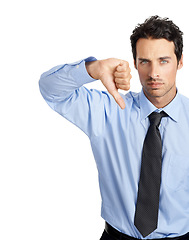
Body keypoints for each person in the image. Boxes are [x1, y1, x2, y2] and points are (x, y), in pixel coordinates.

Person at [39, 16, 189, 240]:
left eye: (164, 61)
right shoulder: (108, 111)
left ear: (179, 62)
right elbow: (50, 89)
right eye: (144, 61)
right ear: (135, 63)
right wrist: (92, 69)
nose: (153, 73)